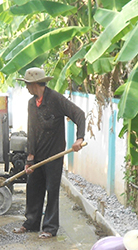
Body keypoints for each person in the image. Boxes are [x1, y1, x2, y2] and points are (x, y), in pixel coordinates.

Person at [12, 67, 85, 239]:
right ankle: (31, 223)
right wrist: (30, 157)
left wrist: (79, 138)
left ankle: (50, 228)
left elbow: (79, 114)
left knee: (52, 190)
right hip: (37, 155)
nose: (27, 88)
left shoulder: (56, 99)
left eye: (28, 85)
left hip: (54, 155)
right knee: (33, 188)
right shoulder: (32, 103)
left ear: (36, 84)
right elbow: (32, 130)